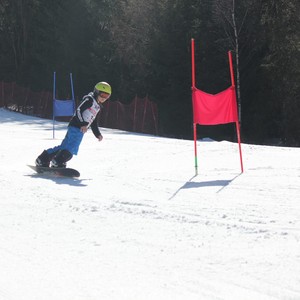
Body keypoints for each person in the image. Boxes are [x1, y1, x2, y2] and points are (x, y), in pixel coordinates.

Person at [35, 81, 111, 168]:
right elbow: (78, 110)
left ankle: (43, 158)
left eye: (107, 96)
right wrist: (82, 124)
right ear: (96, 92)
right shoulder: (89, 99)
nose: (104, 98)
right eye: (102, 95)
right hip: (77, 127)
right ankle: (58, 161)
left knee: (64, 147)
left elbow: (93, 121)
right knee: (71, 148)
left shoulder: (97, 106)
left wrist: (97, 134)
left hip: (79, 128)